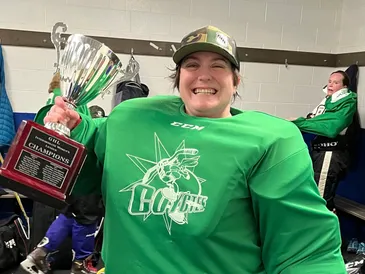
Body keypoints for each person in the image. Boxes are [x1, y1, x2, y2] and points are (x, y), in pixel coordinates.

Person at [43, 26, 346, 273]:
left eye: (218, 65)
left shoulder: (270, 140)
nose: (204, 75)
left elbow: (304, 248)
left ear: (235, 80)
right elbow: (86, 179)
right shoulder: (128, 118)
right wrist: (71, 129)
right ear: (178, 79)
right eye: (191, 65)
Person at [20, 72, 103, 274]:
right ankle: (81, 264)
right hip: (83, 175)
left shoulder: (52, 99)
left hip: (62, 178)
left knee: (68, 215)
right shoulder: (74, 97)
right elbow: (85, 136)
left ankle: (38, 255)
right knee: (86, 218)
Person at [289, 70, 357, 211]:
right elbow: (314, 119)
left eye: (336, 82)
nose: (331, 85)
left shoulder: (346, 103)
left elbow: (331, 128)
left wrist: (299, 122)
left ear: (344, 87)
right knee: (316, 195)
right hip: (320, 152)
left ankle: (321, 231)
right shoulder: (328, 101)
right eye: (330, 81)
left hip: (330, 153)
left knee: (320, 200)